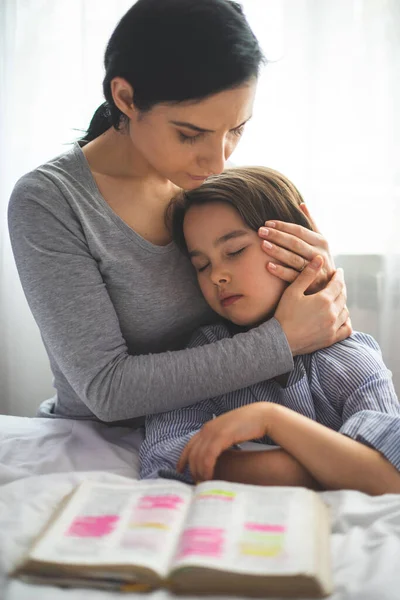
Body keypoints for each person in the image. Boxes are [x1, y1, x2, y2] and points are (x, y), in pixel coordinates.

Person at [8, 0, 350, 426]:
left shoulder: (209, 186)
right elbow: (107, 390)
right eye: (191, 134)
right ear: (126, 98)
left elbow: (279, 314)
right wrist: (283, 340)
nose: (218, 162)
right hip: (101, 443)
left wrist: (315, 283)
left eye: (236, 130)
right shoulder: (51, 201)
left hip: (224, 423)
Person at [140, 167, 400, 496]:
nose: (217, 274)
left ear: (299, 239)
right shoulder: (204, 352)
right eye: (201, 265)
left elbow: (391, 473)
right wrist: (333, 467)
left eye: (234, 251)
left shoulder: (346, 356)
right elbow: (166, 459)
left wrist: (271, 419)